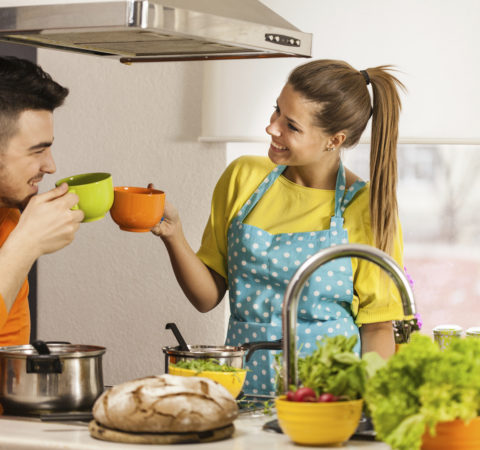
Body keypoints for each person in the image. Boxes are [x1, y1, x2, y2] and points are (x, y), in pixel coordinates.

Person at [152, 59, 406, 395]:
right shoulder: (242, 177)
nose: (272, 128)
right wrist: (174, 233)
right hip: (243, 396)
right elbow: (207, 296)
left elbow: (377, 328)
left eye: (292, 126)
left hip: (326, 406)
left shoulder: (367, 208)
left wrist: (371, 410)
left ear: (334, 140)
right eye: (276, 112)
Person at [0, 56, 84, 346]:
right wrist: (26, 245)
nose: (51, 166)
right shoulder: (19, 235)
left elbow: (9, 351)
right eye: (37, 151)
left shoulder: (9, 218)